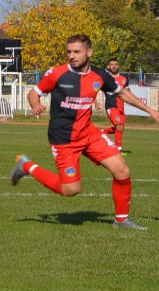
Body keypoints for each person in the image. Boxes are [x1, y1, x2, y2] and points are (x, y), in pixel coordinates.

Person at [11, 34, 159, 230]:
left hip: (88, 133)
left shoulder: (100, 75)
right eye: (69, 52)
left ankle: (121, 220)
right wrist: (35, 104)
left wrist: (150, 111)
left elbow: (122, 92)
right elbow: (34, 92)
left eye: (76, 52)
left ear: (89, 52)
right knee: (71, 189)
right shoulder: (57, 73)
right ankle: (27, 166)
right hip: (64, 139)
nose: (72, 56)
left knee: (122, 171)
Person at [100, 58, 129, 154]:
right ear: (108, 66)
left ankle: (101, 132)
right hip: (111, 105)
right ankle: (118, 149)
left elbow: (128, 92)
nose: (113, 66)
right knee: (119, 125)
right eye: (111, 64)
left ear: (118, 66)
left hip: (121, 106)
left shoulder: (124, 78)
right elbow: (93, 90)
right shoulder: (105, 79)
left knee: (119, 128)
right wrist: (95, 103)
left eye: (116, 64)